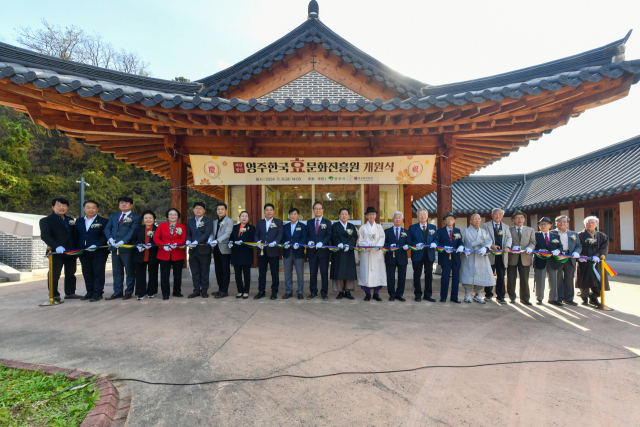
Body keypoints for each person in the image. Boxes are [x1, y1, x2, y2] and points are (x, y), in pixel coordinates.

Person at [39, 197, 80, 301]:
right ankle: (54, 294)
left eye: (64, 205)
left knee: (71, 273)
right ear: (53, 207)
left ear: (67, 207)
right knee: (54, 274)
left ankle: (70, 293)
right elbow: (45, 236)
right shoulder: (46, 220)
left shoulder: (70, 220)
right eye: (59, 205)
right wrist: (56, 246)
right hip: (56, 252)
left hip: (71, 252)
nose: (62, 208)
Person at [104, 196, 140, 300]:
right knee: (117, 271)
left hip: (127, 248)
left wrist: (123, 241)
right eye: (121, 203)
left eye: (126, 203)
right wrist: (110, 239)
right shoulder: (114, 216)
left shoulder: (135, 217)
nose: (124, 205)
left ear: (131, 205)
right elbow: (107, 228)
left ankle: (128, 292)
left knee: (129, 271)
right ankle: (117, 291)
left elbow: (132, 231)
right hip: (114, 247)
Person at [74, 200, 109, 302]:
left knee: (98, 272)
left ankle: (98, 293)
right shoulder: (79, 221)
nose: (91, 209)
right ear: (84, 209)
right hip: (83, 251)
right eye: (88, 207)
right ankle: (89, 292)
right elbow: (76, 236)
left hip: (98, 252)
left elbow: (104, 236)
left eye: (93, 207)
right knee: (87, 272)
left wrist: (96, 245)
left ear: (97, 209)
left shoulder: (103, 221)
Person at [459, 213, 494, 303]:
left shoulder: (484, 232)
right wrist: (464, 249)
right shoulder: (465, 231)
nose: (477, 220)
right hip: (468, 256)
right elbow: (460, 242)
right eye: (475, 219)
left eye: (479, 219)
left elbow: (489, 241)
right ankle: (467, 294)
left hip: (480, 257)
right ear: (470, 221)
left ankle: (478, 294)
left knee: (481, 275)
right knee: (467, 275)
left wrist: (485, 247)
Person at [575, 216, 610, 306]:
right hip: (584, 261)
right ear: (584, 224)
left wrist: (597, 255)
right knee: (584, 279)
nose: (590, 224)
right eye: (588, 222)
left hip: (597, 261)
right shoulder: (579, 235)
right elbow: (576, 247)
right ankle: (584, 298)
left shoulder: (602, 236)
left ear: (597, 224)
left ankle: (594, 297)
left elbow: (604, 247)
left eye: (592, 222)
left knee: (598, 280)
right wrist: (580, 256)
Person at [153, 208, 187, 300]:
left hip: (177, 253)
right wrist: (163, 246)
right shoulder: (161, 226)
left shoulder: (182, 227)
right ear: (167, 216)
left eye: (175, 214)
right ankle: (165, 293)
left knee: (177, 274)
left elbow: (183, 239)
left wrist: (177, 244)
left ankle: (177, 291)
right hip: (164, 253)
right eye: (170, 214)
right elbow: (156, 238)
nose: (173, 216)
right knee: (164, 274)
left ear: (178, 217)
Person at [407, 208, 440, 302]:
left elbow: (436, 239)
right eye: (420, 214)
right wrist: (415, 245)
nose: (422, 216)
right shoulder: (412, 228)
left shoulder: (433, 227)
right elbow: (409, 241)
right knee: (417, 275)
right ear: (418, 217)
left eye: (424, 214)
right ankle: (417, 294)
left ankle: (428, 294)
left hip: (429, 254)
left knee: (429, 275)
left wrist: (435, 243)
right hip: (417, 254)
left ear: (427, 216)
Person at [482, 208, 512, 303]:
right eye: (495, 214)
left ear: (502, 216)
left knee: (501, 275)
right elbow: (483, 238)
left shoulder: (506, 227)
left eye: (500, 214)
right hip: (490, 254)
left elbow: (509, 238)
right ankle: (488, 294)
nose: (497, 216)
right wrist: (490, 246)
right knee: (489, 275)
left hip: (502, 255)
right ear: (491, 215)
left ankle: (500, 296)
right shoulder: (485, 226)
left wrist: (507, 246)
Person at [254, 203, 284, 300]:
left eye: (271, 210)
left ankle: (274, 291)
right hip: (262, 251)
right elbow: (256, 234)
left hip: (273, 250)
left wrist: (275, 242)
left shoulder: (278, 222)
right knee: (262, 272)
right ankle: (261, 291)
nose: (269, 211)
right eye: (267, 210)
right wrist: (257, 242)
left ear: (274, 212)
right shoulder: (260, 222)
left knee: (274, 272)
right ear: (264, 212)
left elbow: (280, 234)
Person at [357, 207, 386, 301]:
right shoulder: (363, 228)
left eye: (373, 214)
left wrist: (378, 246)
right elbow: (360, 240)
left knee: (378, 272)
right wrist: (367, 245)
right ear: (366, 216)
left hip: (377, 254)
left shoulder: (379, 227)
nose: (371, 216)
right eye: (369, 214)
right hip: (367, 253)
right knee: (366, 272)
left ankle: (376, 293)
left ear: (376, 215)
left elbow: (382, 237)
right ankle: (367, 293)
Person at [507, 211, 536, 305]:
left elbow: (533, 242)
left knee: (524, 278)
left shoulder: (530, 230)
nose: (520, 219)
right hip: (512, 256)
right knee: (511, 279)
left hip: (525, 257)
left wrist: (530, 248)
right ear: (513, 220)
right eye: (517, 218)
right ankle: (512, 297)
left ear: (524, 219)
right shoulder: (508, 229)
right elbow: (505, 241)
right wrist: (511, 247)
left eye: (522, 218)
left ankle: (525, 298)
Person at [533, 217, 563, 306]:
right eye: (541, 224)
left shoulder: (556, 236)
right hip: (540, 260)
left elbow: (560, 246)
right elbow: (532, 246)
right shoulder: (535, 235)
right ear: (539, 226)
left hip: (553, 261)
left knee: (553, 280)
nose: (543, 226)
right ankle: (539, 298)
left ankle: (553, 298)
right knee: (540, 280)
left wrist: (558, 251)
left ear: (550, 225)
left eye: (546, 224)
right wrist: (539, 249)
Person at [186, 202, 214, 298]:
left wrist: (196, 241)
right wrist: (188, 240)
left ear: (204, 210)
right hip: (193, 250)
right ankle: (196, 290)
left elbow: (206, 234)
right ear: (193, 210)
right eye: (196, 208)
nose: (198, 210)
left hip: (204, 250)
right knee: (195, 271)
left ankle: (204, 290)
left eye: (200, 208)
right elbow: (188, 232)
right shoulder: (190, 221)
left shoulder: (208, 221)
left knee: (204, 271)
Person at [306, 202, 332, 300]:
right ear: (313, 210)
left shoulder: (327, 222)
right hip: (312, 252)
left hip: (323, 252)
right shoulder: (309, 222)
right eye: (316, 208)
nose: (318, 210)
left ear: (322, 210)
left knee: (324, 273)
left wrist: (322, 242)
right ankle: (313, 292)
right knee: (313, 273)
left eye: (319, 208)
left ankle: (324, 293)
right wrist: (309, 241)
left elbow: (329, 235)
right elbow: (307, 235)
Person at [554, 215, 582, 306]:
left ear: (568, 223)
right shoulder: (551, 233)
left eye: (564, 221)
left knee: (569, 279)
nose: (562, 223)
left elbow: (578, 246)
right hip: (556, 257)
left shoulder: (574, 234)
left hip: (569, 257)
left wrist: (576, 252)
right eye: (559, 221)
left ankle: (569, 298)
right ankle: (558, 298)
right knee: (557, 278)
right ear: (555, 223)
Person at [330, 208, 358, 300]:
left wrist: (348, 245)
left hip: (348, 251)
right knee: (338, 271)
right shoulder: (335, 226)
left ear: (348, 216)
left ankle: (348, 291)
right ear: (339, 216)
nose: (344, 216)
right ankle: (340, 291)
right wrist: (339, 243)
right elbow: (333, 236)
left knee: (349, 271)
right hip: (338, 252)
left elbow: (354, 236)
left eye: (346, 214)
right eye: (342, 214)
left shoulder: (352, 226)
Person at [131, 210, 159, 300]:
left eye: (150, 218)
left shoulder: (157, 229)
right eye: (146, 218)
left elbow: (160, 241)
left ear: (154, 219)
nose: (148, 220)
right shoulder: (138, 229)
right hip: (140, 254)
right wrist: (137, 246)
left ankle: (151, 292)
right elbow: (132, 241)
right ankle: (141, 293)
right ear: (143, 219)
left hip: (153, 254)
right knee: (140, 275)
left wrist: (153, 245)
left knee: (153, 274)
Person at [436, 212, 462, 303]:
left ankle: (454, 297)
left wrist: (461, 246)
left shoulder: (457, 231)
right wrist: (444, 247)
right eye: (448, 219)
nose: (450, 220)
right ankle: (443, 297)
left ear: (454, 220)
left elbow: (460, 242)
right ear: (445, 221)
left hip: (455, 258)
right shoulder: (440, 231)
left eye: (452, 218)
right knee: (445, 278)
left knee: (456, 278)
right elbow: (437, 243)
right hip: (445, 258)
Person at [384, 211, 409, 302]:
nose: (397, 219)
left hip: (402, 256)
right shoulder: (387, 231)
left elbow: (408, 242)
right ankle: (391, 294)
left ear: (402, 220)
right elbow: (384, 243)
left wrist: (407, 246)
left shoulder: (406, 232)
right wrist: (389, 246)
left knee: (402, 277)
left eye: (399, 218)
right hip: (391, 256)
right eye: (396, 218)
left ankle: (400, 294)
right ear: (393, 220)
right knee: (390, 277)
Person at [209, 203, 233, 298]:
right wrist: (211, 239)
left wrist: (217, 240)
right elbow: (212, 233)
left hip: (224, 248)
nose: (220, 211)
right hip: (215, 249)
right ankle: (220, 289)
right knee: (217, 269)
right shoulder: (214, 222)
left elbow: (227, 234)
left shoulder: (229, 221)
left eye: (222, 209)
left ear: (226, 210)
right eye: (218, 209)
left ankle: (224, 290)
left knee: (225, 270)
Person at [282, 208, 307, 299]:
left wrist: (299, 244)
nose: (293, 216)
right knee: (287, 273)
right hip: (288, 252)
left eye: (295, 214)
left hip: (298, 252)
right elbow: (282, 237)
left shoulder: (303, 226)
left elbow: (304, 238)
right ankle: (289, 291)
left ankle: (300, 291)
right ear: (289, 216)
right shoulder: (285, 226)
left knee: (300, 273)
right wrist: (284, 243)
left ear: (298, 215)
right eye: (291, 214)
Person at [229, 211, 255, 299]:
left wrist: (243, 242)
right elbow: (231, 238)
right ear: (239, 218)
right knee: (237, 274)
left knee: (246, 274)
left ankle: (246, 291)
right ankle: (239, 291)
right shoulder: (235, 227)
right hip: (236, 254)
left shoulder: (251, 228)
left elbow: (252, 239)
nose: (244, 217)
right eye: (242, 216)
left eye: (246, 216)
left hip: (246, 253)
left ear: (248, 218)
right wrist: (230, 242)